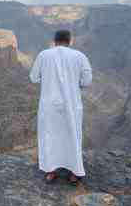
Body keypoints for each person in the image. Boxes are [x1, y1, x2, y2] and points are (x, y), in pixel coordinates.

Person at [29, 30, 92, 184]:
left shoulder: (44, 55)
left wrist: (49, 77)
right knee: (72, 136)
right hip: (72, 105)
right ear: (69, 41)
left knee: (50, 136)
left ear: (55, 40)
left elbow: (33, 78)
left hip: (49, 105)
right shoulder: (79, 56)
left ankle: (50, 172)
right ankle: (74, 173)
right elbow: (87, 81)